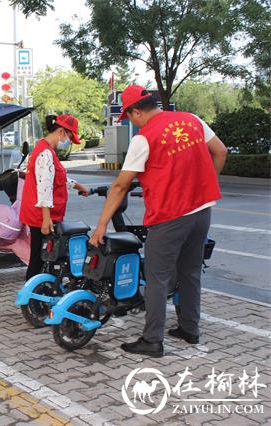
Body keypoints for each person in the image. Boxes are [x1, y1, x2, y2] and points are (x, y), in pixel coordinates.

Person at [89, 85, 228, 357]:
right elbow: (220, 151)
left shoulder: (144, 138)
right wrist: (203, 185)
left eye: (129, 118)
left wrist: (102, 225)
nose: (130, 123)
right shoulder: (193, 120)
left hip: (169, 216)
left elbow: (120, 186)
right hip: (202, 212)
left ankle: (152, 340)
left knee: (157, 278)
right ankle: (190, 329)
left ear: (137, 111)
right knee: (190, 272)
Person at [19, 115, 90, 280]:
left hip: (40, 214)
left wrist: (79, 186)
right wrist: (46, 219)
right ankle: (32, 297)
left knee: (44, 256)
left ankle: (39, 293)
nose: (69, 142)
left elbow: (57, 179)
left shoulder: (45, 149)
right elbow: (45, 187)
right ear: (61, 132)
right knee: (39, 258)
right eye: (70, 138)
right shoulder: (45, 153)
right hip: (41, 216)